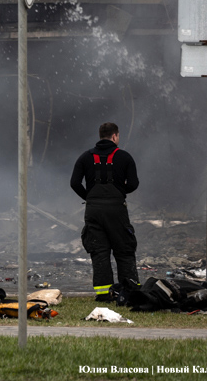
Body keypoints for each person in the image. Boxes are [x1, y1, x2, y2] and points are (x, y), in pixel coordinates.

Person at [70, 121, 140, 301]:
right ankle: (129, 293)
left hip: (93, 210)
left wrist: (89, 197)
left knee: (99, 251)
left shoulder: (85, 157)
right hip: (117, 210)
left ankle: (103, 295)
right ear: (115, 136)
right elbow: (133, 184)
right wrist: (120, 192)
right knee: (124, 250)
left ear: (100, 135)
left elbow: (74, 183)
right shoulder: (125, 157)